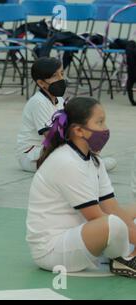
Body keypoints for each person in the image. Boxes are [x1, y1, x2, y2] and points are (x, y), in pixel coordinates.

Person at [26, 97, 136, 277]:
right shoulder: (66, 162)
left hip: (79, 239)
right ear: (78, 130)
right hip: (53, 252)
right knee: (113, 224)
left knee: (121, 218)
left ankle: (124, 255)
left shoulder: (94, 160)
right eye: (99, 122)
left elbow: (112, 207)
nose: (105, 128)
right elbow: (97, 216)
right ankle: (123, 258)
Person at [16, 57, 66, 172]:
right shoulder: (38, 102)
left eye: (62, 74)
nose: (61, 79)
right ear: (41, 83)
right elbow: (51, 137)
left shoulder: (60, 99)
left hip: (48, 150)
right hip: (31, 155)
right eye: (55, 76)